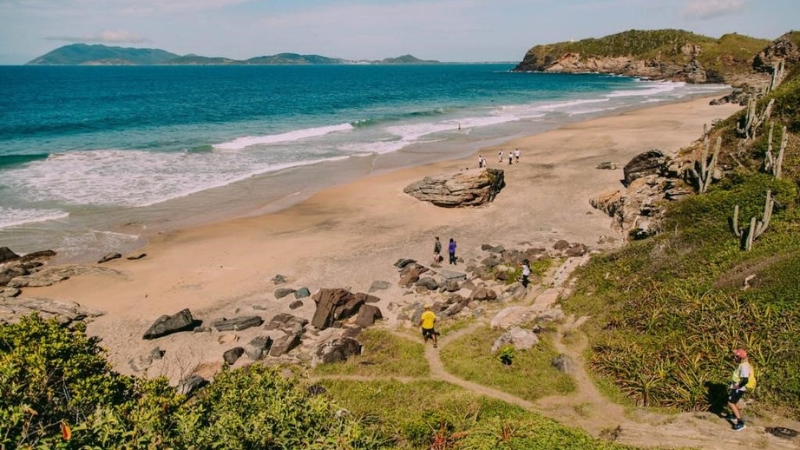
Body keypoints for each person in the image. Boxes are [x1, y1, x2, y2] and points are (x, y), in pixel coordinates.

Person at [727, 349, 756, 431]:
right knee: (734, 402)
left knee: (731, 402)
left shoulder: (744, 366)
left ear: (740, 358)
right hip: (737, 387)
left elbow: (745, 380)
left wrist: (738, 386)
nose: (734, 357)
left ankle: (740, 423)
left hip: (739, 388)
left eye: (736, 356)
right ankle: (734, 416)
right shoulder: (743, 364)